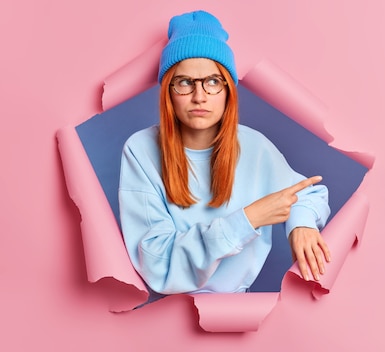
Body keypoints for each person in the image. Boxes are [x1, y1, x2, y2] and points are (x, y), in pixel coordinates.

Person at [118, 10, 331, 295]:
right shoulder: (140, 151)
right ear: (168, 91)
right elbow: (160, 265)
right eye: (184, 82)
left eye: (213, 81)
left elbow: (308, 193)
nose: (199, 96)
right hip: (165, 316)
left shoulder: (254, 147)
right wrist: (248, 219)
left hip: (236, 315)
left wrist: (301, 224)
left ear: (228, 90)